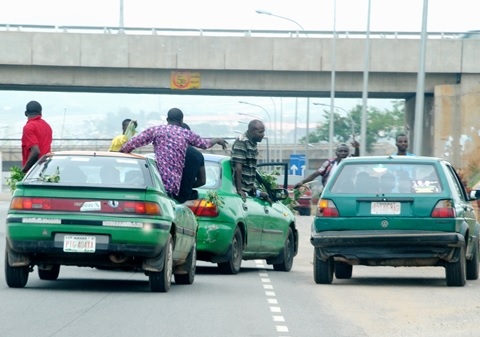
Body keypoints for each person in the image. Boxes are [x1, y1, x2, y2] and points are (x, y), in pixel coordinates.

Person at [120, 108, 227, 202]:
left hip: (157, 183)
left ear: (167, 120)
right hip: (173, 188)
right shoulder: (186, 134)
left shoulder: (156, 130)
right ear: (181, 121)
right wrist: (217, 139)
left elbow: (133, 143)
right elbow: (205, 144)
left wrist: (120, 153)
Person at [231, 119, 270, 203]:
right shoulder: (242, 142)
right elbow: (238, 167)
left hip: (248, 189)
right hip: (240, 190)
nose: (263, 135)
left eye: (263, 132)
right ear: (252, 131)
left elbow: (250, 167)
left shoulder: (252, 143)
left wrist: (252, 186)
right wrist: (239, 190)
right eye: (260, 132)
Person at [293, 141, 360, 189]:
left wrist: (357, 148)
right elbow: (315, 174)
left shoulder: (349, 162)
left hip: (346, 191)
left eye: (345, 151)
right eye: (340, 151)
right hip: (329, 192)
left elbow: (356, 158)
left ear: (348, 153)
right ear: (336, 152)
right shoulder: (329, 163)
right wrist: (302, 182)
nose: (343, 153)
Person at [176, 122, 206, 203]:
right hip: (186, 197)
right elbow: (202, 181)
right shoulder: (198, 155)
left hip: (167, 195)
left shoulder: (166, 150)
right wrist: (187, 185)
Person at [21, 100, 53, 173]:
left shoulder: (29, 127)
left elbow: (36, 152)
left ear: (25, 113)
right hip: (45, 170)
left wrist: (24, 171)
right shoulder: (47, 126)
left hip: (34, 172)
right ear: (41, 113)